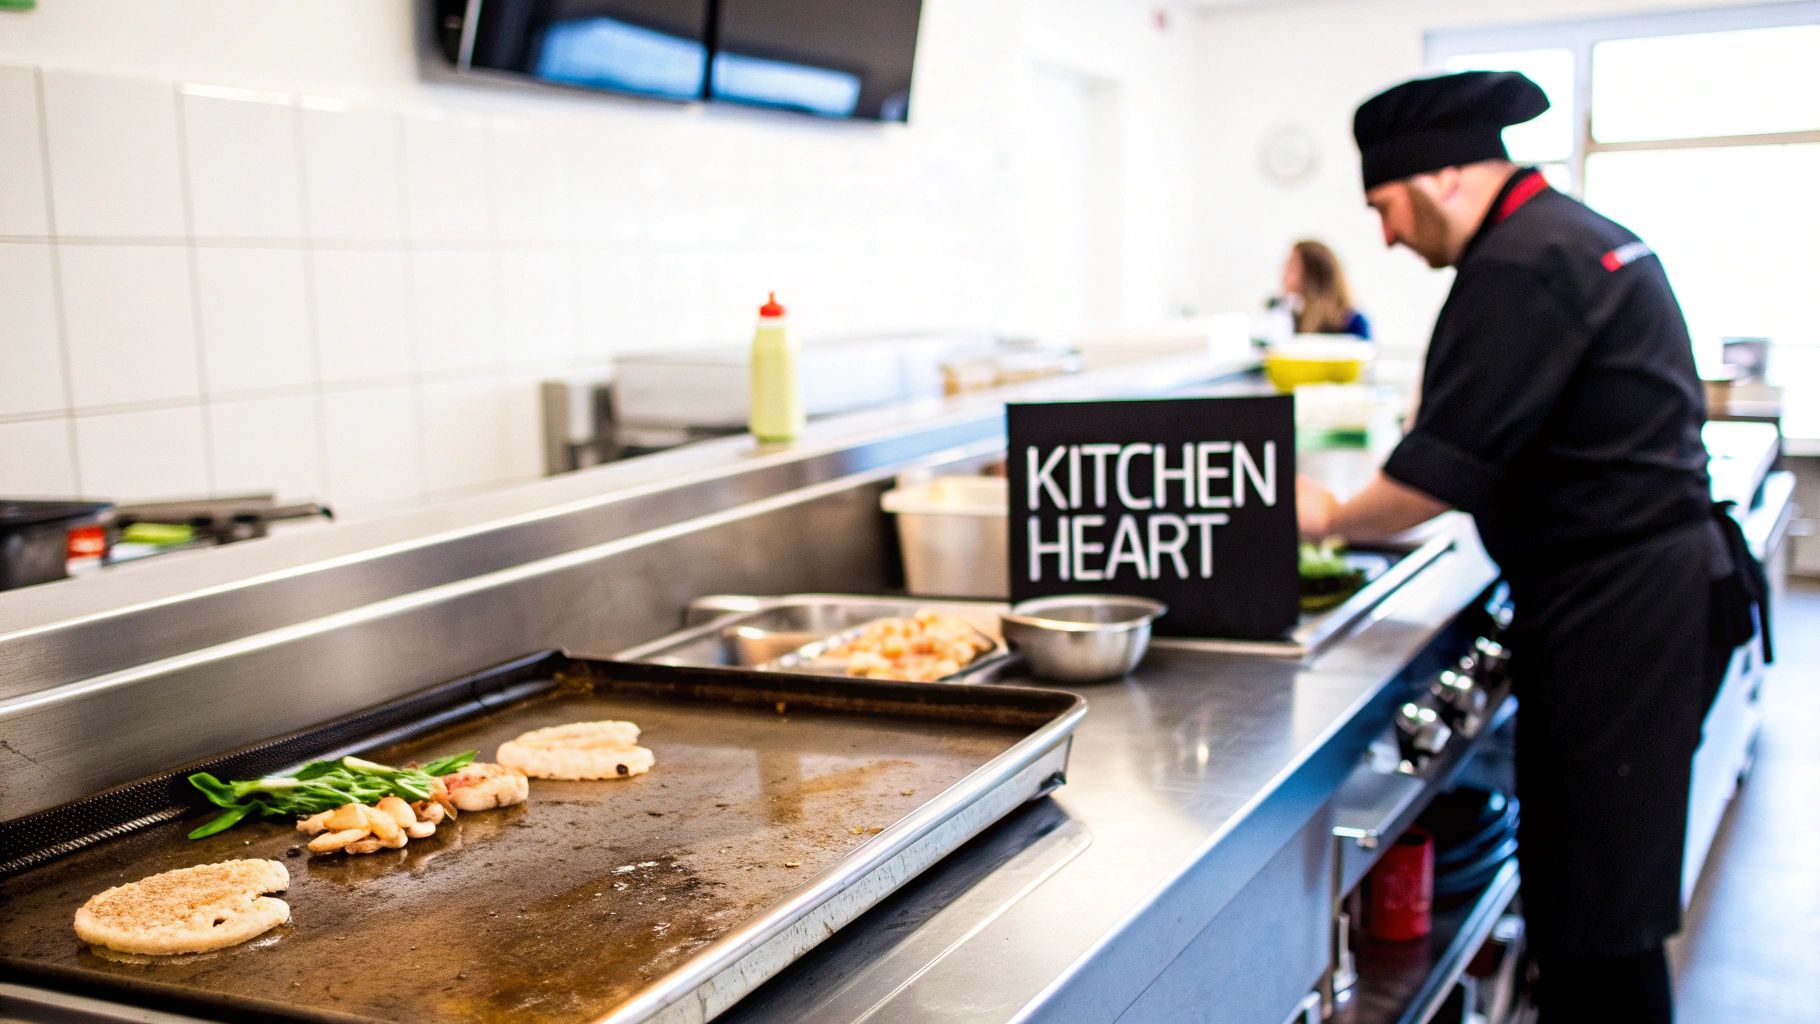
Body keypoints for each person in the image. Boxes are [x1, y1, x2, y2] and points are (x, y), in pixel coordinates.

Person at [1296, 71, 1770, 1022]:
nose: (1386, 235)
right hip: (1653, 597)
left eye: (1384, 207)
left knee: (1600, 924)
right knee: (1602, 903)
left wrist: (1326, 517)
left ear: (1440, 178)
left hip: (1622, 618)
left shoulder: (1516, 263)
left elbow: (1431, 482)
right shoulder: (1576, 233)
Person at [1273, 239, 1371, 338]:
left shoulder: (1354, 323)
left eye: (1291, 267)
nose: (1283, 274)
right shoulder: (1287, 319)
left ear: (1312, 275)